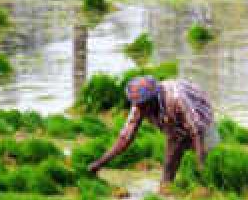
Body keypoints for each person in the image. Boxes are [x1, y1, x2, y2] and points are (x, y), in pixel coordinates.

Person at [88, 76, 217, 192]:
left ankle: (211, 186)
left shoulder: (176, 98)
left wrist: (201, 166)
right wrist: (100, 163)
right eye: (137, 105)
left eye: (143, 105)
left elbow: (196, 130)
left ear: (153, 99)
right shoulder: (139, 105)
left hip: (199, 115)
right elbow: (125, 138)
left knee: (209, 156)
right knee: (169, 163)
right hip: (172, 121)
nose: (139, 109)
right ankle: (166, 191)